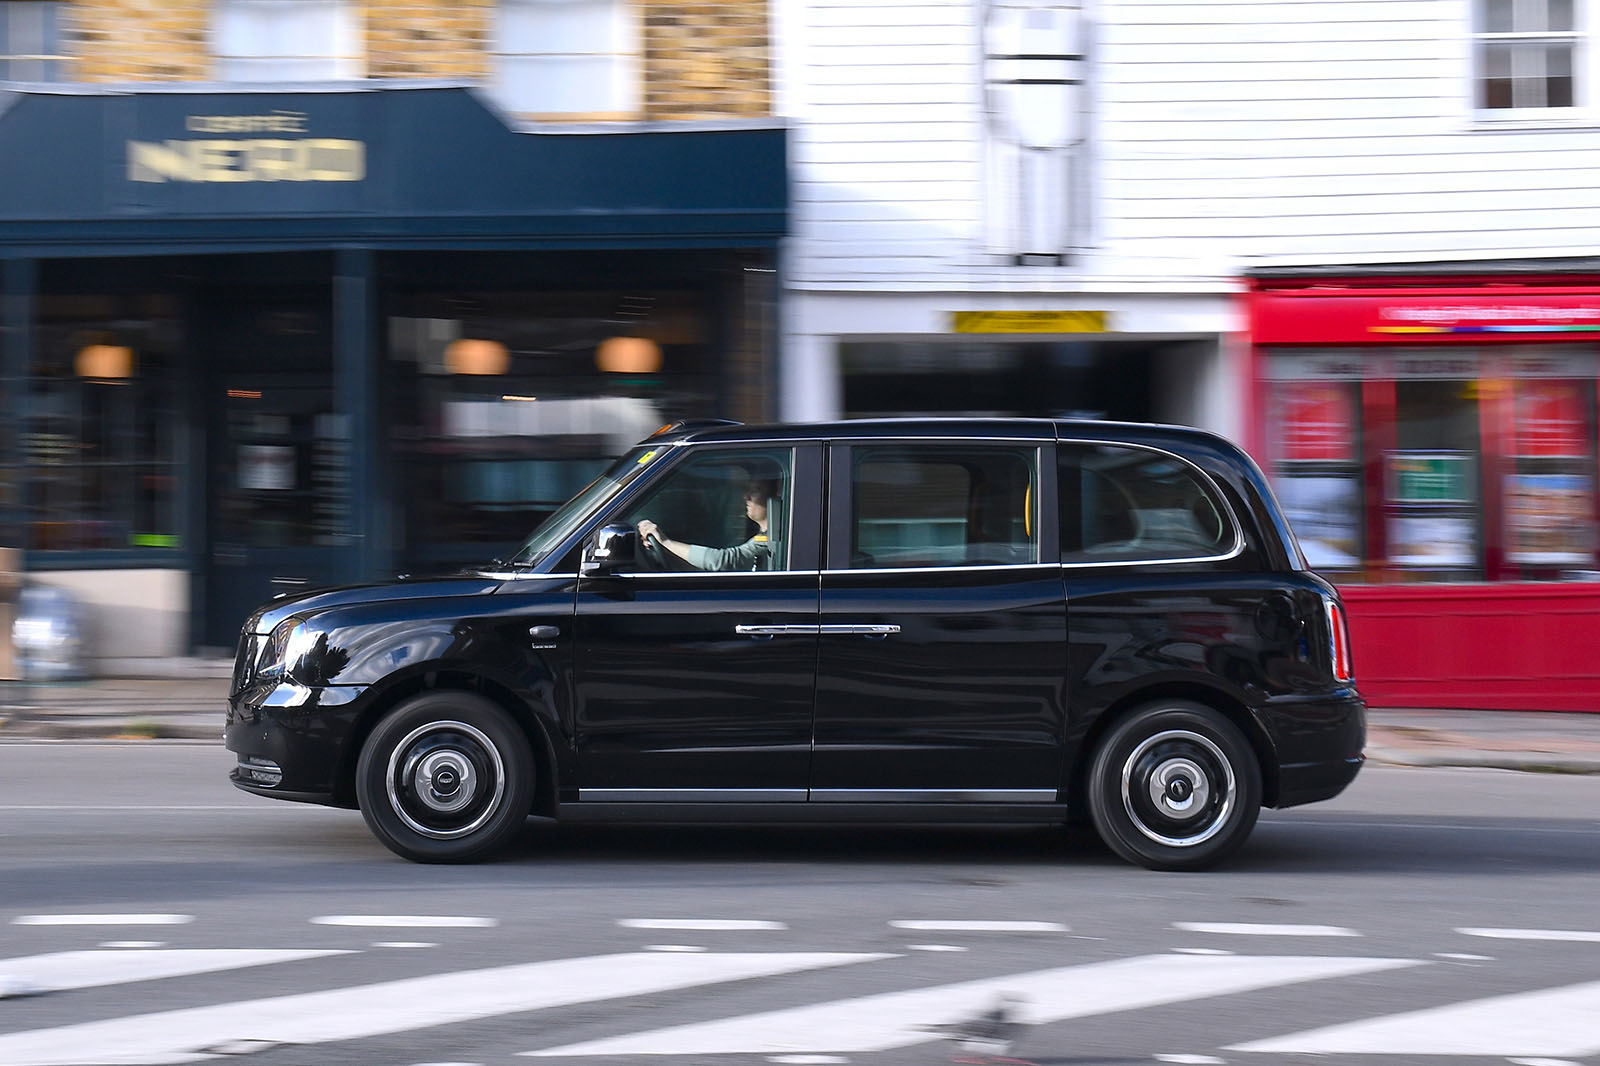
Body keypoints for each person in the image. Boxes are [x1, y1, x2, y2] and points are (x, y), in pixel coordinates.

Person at [636, 476, 780, 571]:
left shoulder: (777, 538)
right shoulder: (764, 535)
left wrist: (666, 542)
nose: (746, 496)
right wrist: (668, 550)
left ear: (776, 497)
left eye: (755, 490)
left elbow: (725, 561)